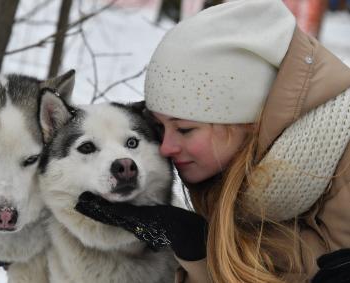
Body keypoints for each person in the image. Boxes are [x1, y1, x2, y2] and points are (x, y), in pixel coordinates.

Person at [75, 0, 350, 282]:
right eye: (160, 126)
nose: (166, 147)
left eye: (184, 129)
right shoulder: (238, 174)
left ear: (248, 122)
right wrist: (198, 247)